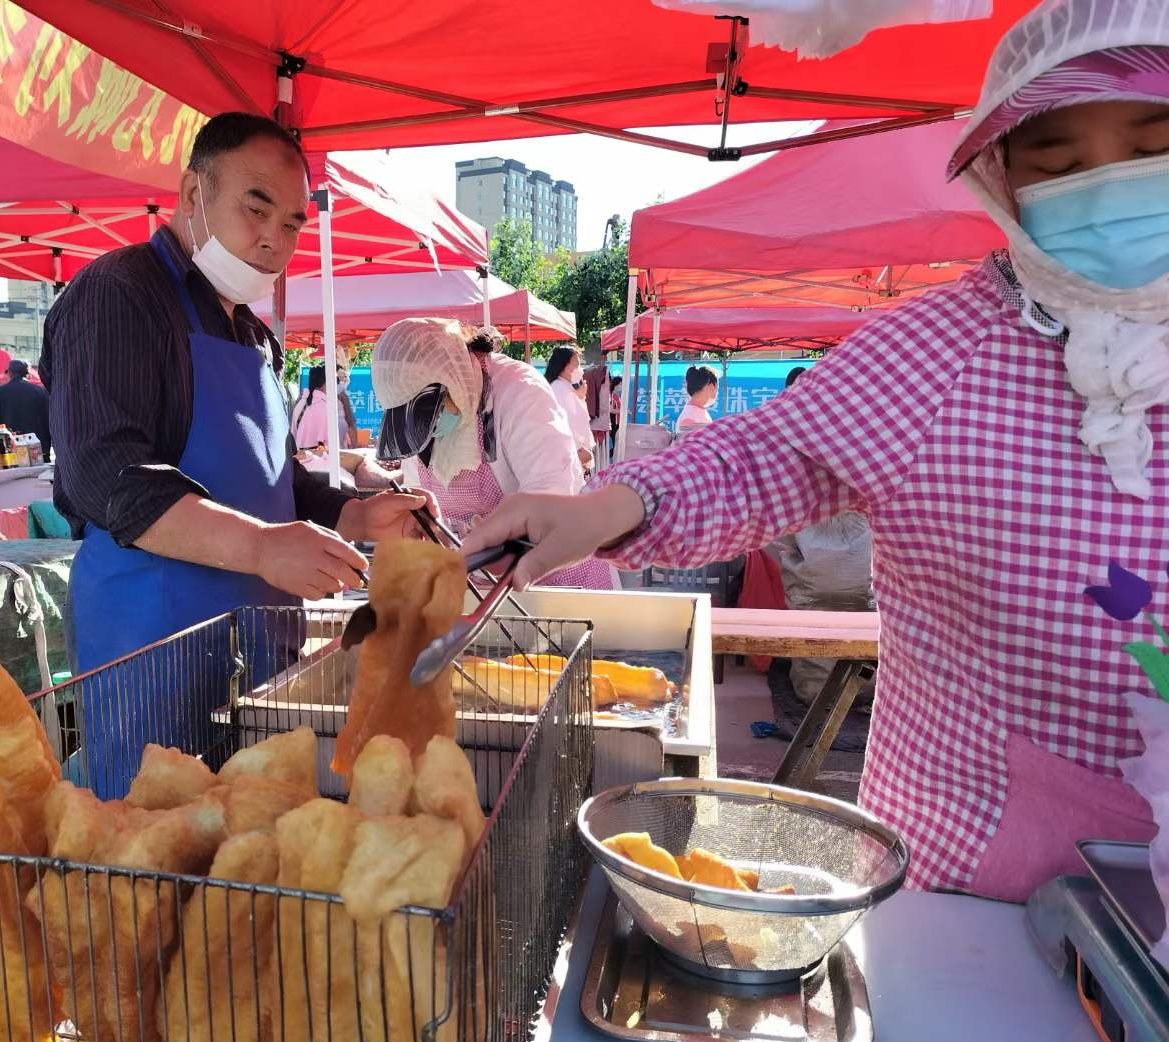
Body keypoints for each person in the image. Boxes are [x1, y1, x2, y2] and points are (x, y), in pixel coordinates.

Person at [465, 0, 1169, 903]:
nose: (1107, 190)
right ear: (1006, 177)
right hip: (969, 897)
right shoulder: (942, 351)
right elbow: (759, 459)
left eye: (1152, 145)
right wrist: (601, 510)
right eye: (1061, 164)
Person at [40, 112, 431, 793]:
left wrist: (357, 515)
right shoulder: (118, 294)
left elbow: (277, 477)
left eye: (292, 225)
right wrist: (259, 547)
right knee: (153, 839)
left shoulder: (254, 335)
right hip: (152, 653)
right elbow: (106, 474)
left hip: (257, 652)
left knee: (254, 834)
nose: (275, 240)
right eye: (257, 209)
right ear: (194, 193)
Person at [374, 318, 616, 589]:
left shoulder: (519, 390)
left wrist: (494, 543)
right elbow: (418, 495)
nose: (428, 429)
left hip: (554, 574)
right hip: (475, 582)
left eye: (430, 414)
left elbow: (551, 497)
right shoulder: (412, 419)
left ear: (452, 379)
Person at [0, 359, 51, 459]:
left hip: (9, 451)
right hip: (38, 450)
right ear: (28, 374)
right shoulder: (42, 392)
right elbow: (50, 420)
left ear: (10, 373)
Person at [544, 345, 595, 476]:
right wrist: (579, 450)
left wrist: (581, 397)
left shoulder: (563, 387)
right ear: (565, 366)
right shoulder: (560, 388)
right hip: (568, 459)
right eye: (577, 364)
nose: (580, 369)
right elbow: (567, 424)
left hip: (570, 458)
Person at [290, 364, 348, 451]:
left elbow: (292, 437)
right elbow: (334, 444)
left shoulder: (300, 404)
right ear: (326, 382)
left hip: (299, 457)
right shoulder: (329, 408)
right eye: (334, 381)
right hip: (322, 458)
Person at [675, 366, 719, 435]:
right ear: (711, 386)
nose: (717, 392)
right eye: (717, 388)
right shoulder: (690, 417)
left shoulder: (696, 411)